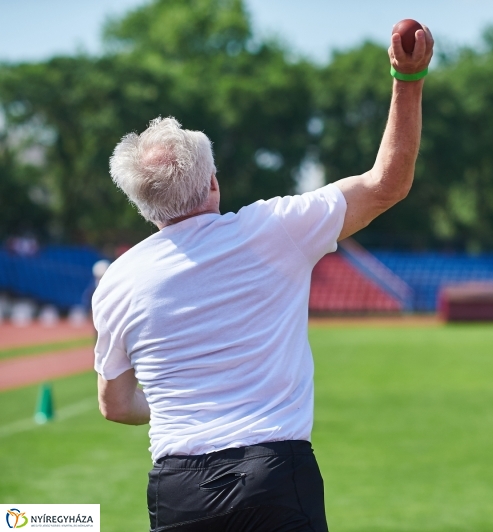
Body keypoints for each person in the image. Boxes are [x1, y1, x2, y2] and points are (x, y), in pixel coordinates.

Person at [92, 25, 434, 532]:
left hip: (179, 488)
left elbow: (115, 405)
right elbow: (387, 183)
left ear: (144, 206)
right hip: (273, 473)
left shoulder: (116, 282)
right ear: (212, 181)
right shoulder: (273, 229)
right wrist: (408, 77)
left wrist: (175, 400)